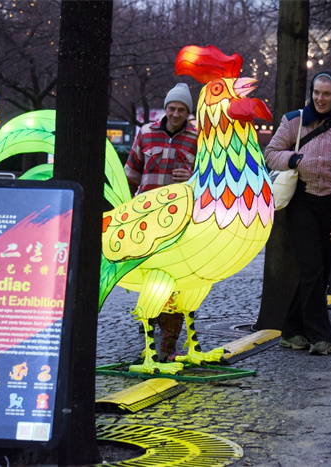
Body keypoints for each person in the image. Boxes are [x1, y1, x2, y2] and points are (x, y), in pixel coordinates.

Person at [265, 71, 331, 355]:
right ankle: (321, 336)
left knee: (320, 274)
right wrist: (292, 158)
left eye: (327, 94)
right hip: (302, 203)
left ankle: (292, 331)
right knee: (312, 269)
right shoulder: (294, 120)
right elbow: (270, 153)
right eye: (317, 92)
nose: (320, 98)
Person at [124, 82, 198, 360]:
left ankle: (168, 344)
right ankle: (150, 328)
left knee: (176, 279)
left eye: (181, 110)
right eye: (172, 108)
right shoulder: (145, 133)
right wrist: (126, 211)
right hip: (147, 219)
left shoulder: (197, 137)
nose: (176, 114)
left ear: (187, 112)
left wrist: (191, 178)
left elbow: (206, 178)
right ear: (165, 109)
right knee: (149, 278)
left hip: (181, 220)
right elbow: (131, 174)